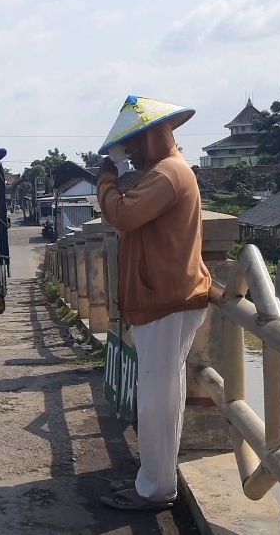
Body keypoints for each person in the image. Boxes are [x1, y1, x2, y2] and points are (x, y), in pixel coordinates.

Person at [95, 96, 210, 512]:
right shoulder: (167, 171)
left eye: (131, 145)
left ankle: (156, 488)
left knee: (157, 397)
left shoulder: (167, 174)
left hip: (165, 298)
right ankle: (157, 479)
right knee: (164, 393)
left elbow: (122, 216)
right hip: (169, 295)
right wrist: (120, 176)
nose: (128, 153)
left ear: (148, 138)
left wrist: (106, 178)